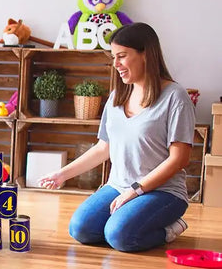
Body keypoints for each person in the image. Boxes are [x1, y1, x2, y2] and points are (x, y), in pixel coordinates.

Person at [39, 22, 196, 253]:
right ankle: (128, 220)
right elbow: (104, 148)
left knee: (120, 236)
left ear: (145, 55)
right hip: (118, 186)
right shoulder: (116, 97)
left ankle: (170, 228)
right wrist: (62, 174)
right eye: (113, 57)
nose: (116, 64)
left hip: (163, 192)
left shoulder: (175, 97)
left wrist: (134, 191)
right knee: (80, 229)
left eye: (122, 56)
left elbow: (179, 159)